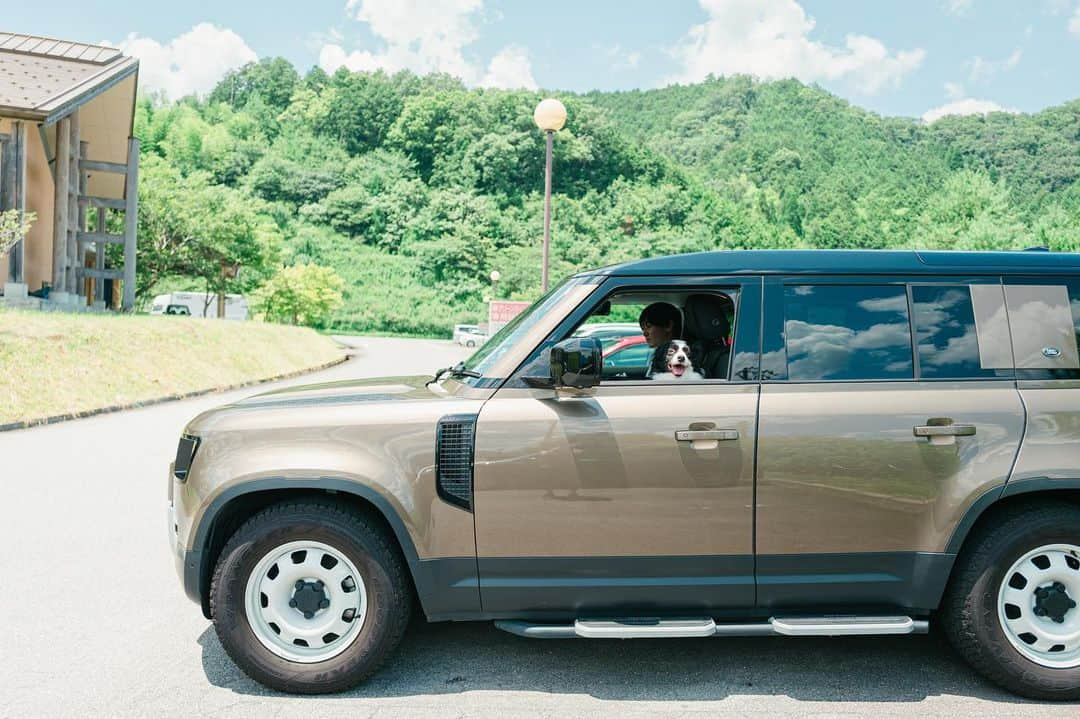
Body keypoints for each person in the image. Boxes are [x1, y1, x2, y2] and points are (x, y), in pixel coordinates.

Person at [638, 302, 682, 377]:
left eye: (649, 327)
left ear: (668, 326)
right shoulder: (660, 354)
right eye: (643, 329)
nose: (645, 333)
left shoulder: (677, 359)